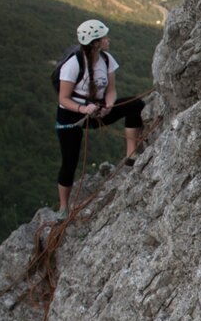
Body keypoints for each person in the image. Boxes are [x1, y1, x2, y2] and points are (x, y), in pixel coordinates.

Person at [55, 19, 145, 215]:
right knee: (69, 162)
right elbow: (63, 98)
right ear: (95, 42)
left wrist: (109, 105)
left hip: (97, 110)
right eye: (104, 37)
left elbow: (111, 90)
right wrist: (82, 109)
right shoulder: (72, 65)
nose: (108, 39)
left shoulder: (106, 59)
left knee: (135, 104)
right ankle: (63, 207)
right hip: (71, 117)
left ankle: (131, 154)